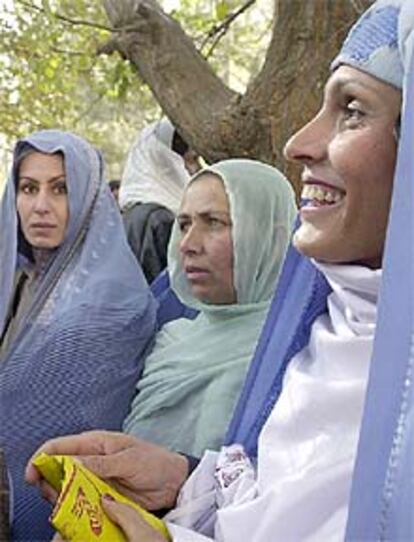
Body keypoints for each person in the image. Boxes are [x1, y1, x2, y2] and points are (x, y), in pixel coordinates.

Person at [27, 0, 414, 540]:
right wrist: (184, 482)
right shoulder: (321, 323)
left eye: (352, 109)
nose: (298, 143)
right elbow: (267, 499)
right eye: (183, 223)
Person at [0, 129, 157, 540]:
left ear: (87, 198)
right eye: (28, 188)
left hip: (53, 501)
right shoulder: (18, 281)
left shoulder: (112, 304)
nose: (40, 207)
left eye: (60, 189)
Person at [123, 159, 296, 456]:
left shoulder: (294, 351)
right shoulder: (172, 340)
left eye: (214, 222)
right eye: (184, 224)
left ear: (271, 236)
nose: (187, 244)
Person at [120, 119, 200, 283]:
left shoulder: (127, 215)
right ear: (167, 162)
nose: (196, 170)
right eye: (190, 162)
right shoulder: (162, 219)